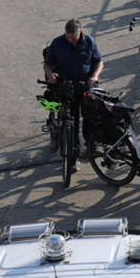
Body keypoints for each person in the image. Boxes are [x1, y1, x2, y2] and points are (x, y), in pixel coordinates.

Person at [43, 19, 104, 171]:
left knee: (91, 117)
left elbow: (98, 61)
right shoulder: (57, 43)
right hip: (67, 88)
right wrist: (50, 75)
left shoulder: (89, 42)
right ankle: (73, 155)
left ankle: (92, 143)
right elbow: (47, 63)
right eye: (68, 37)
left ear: (80, 32)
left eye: (73, 38)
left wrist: (94, 76)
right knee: (72, 122)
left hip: (85, 86)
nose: (70, 40)